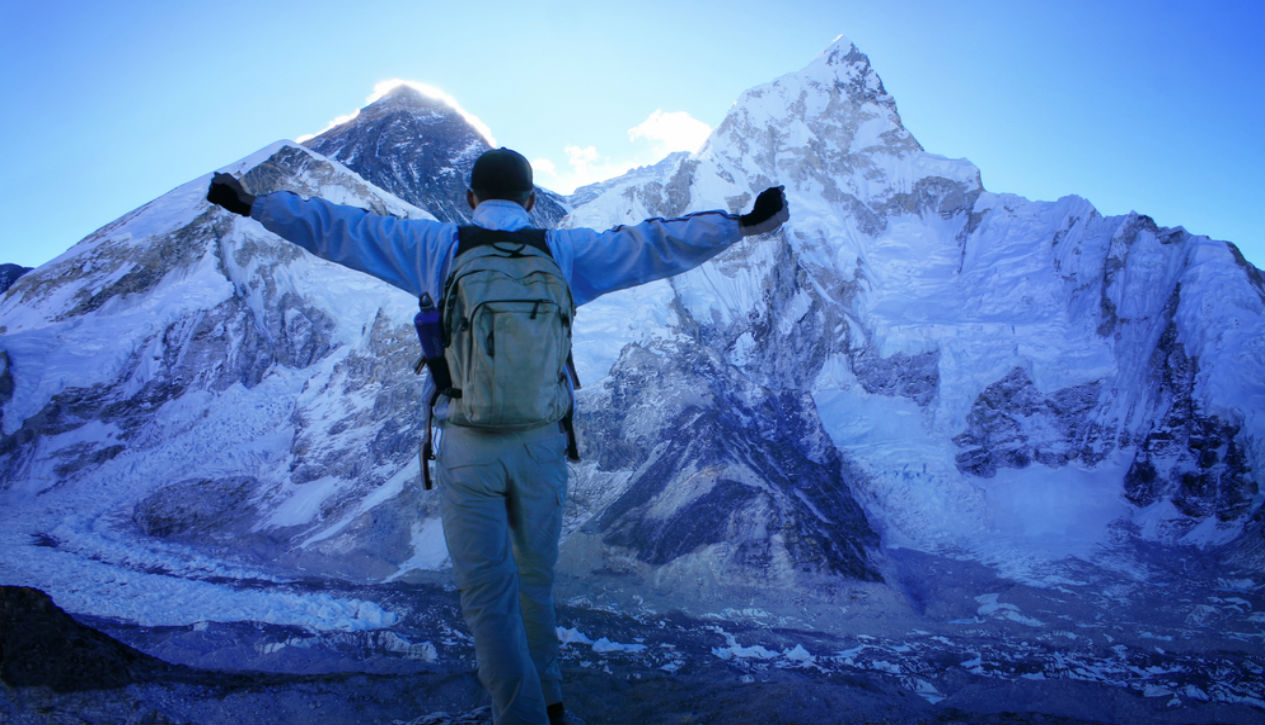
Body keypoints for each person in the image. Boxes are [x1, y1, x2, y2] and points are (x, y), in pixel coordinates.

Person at [207, 147, 788, 725]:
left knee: (490, 600)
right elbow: (651, 244)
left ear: (470, 199)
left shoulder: (436, 246)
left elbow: (341, 228)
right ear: (532, 202)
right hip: (542, 446)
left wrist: (255, 205)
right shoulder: (561, 251)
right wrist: (740, 225)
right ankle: (553, 707)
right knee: (533, 586)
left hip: (469, 445)